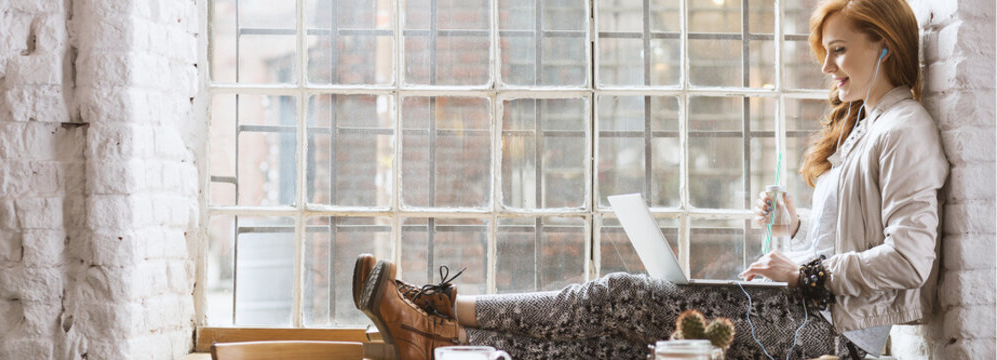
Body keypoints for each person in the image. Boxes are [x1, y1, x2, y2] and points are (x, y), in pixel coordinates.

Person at [354, 0, 948, 358]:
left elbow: (910, 259)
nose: (826, 67)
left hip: (833, 337)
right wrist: (793, 229)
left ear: (886, 46)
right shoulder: (866, 130)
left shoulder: (906, 129)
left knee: (617, 295)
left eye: (839, 51)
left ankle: (444, 305)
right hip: (806, 315)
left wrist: (806, 269)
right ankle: (438, 343)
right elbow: (842, 244)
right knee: (611, 346)